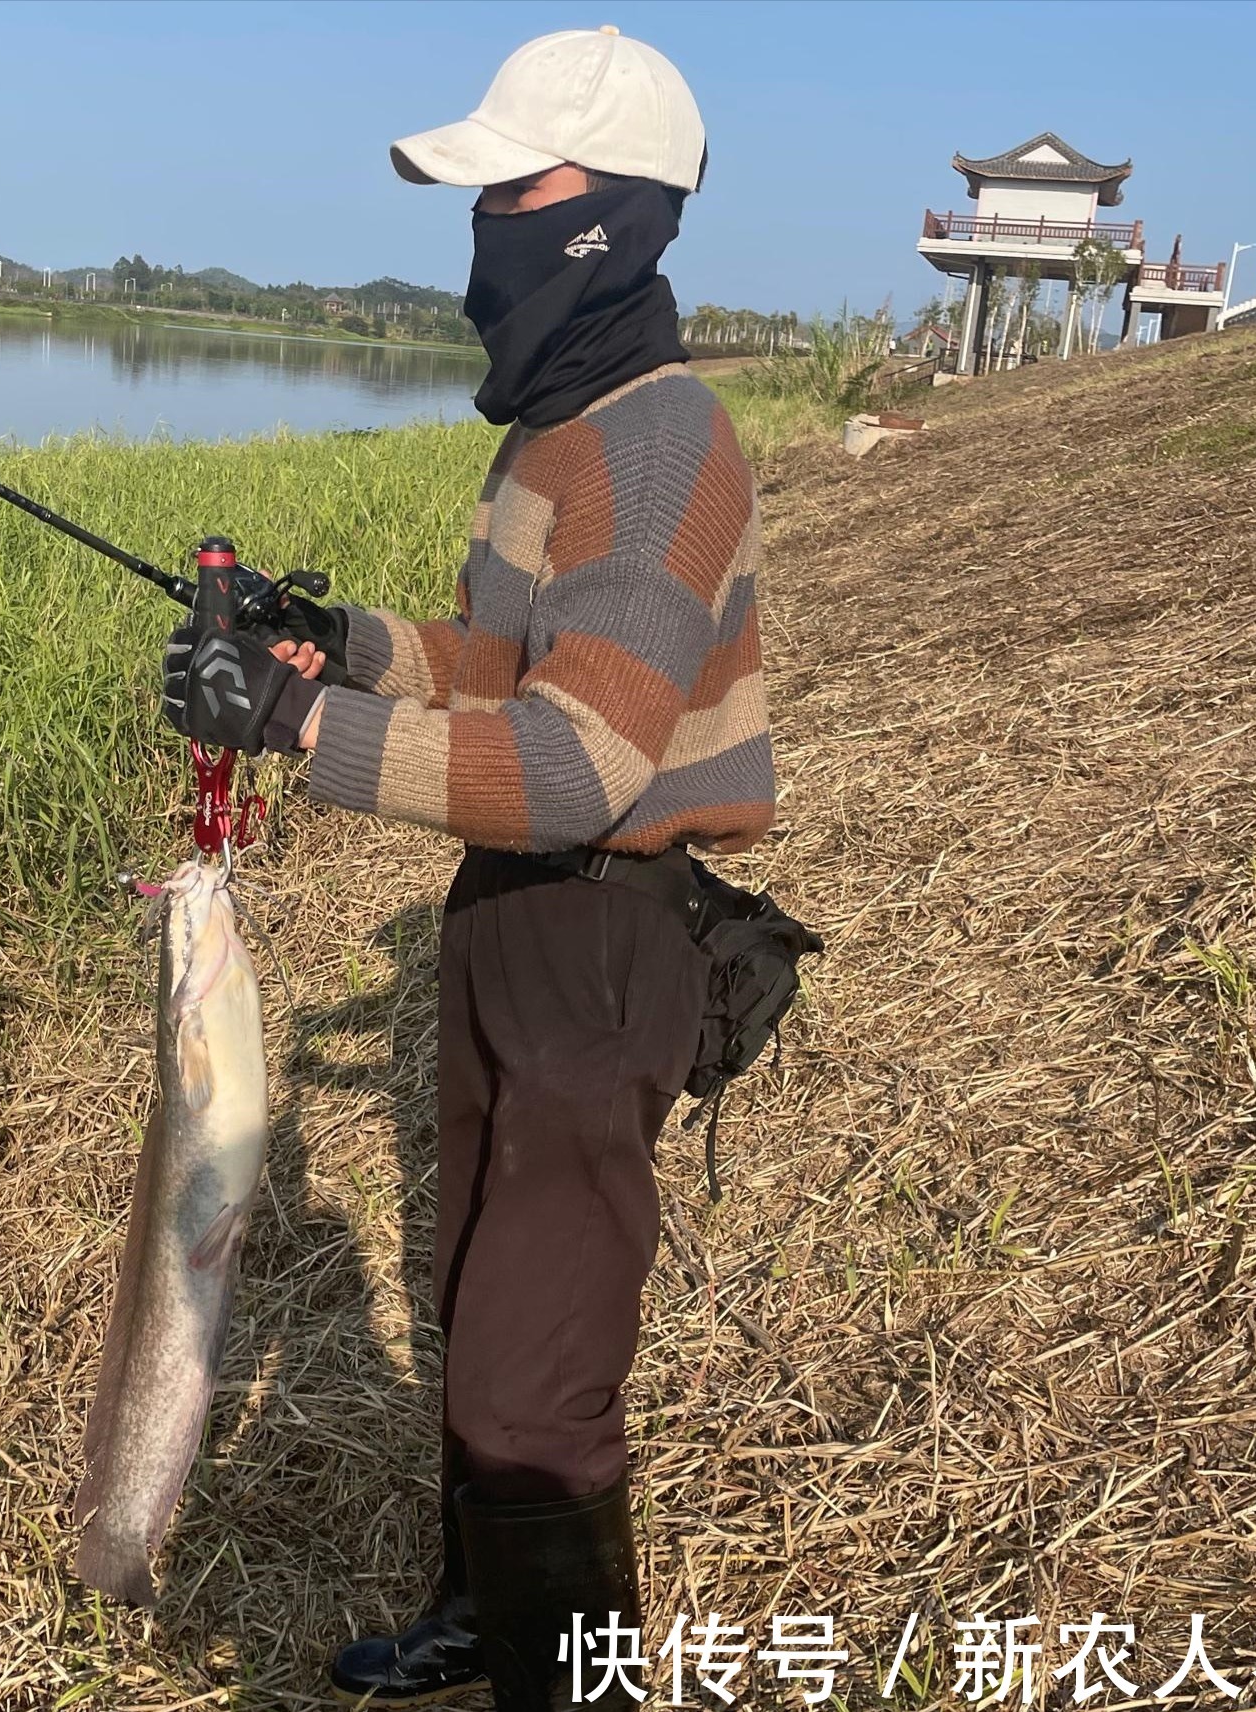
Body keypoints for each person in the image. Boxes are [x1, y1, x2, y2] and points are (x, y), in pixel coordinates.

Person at [162, 26, 775, 1708]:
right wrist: (335, 642)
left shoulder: (655, 443)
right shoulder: (559, 434)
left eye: (519, 187)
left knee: (533, 1386)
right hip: (510, 912)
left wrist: (297, 732)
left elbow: (584, 762)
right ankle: (475, 1608)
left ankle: (570, 1685)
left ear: (614, 217)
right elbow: (513, 671)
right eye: (482, 192)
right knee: (477, 1309)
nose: (488, 223)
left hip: (607, 944)